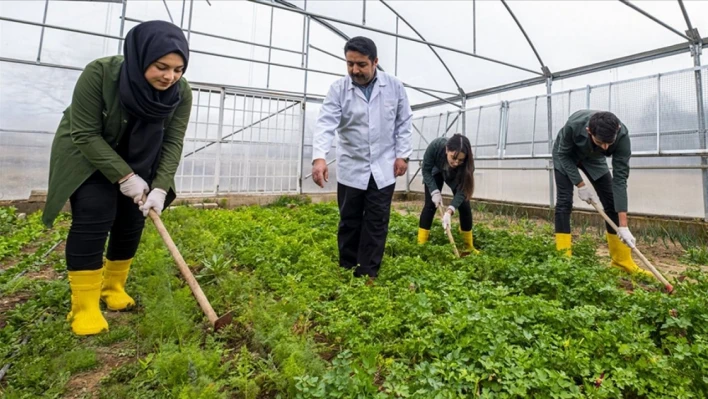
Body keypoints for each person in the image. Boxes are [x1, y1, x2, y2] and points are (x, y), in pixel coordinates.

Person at [42, 20, 192, 335]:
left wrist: (160, 187)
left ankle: (113, 288)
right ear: (140, 57)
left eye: (178, 69)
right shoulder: (100, 74)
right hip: (88, 157)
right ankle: (83, 307)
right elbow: (84, 133)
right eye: (161, 67)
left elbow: (173, 141)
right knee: (95, 214)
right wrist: (125, 176)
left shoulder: (181, 93)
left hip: (143, 158)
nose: (170, 77)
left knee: (131, 220)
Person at [311, 36, 412, 280]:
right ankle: (347, 268)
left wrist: (403, 155)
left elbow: (404, 122)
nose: (354, 70)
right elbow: (326, 123)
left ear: (375, 62)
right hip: (352, 167)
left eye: (361, 64)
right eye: (350, 64)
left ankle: (368, 273)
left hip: (383, 166)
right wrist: (319, 158)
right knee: (350, 220)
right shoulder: (338, 89)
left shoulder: (394, 86)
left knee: (376, 222)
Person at [553, 110, 652, 277]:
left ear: (617, 129)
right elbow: (563, 154)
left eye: (609, 143)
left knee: (611, 202)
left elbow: (620, 180)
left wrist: (623, 226)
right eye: (601, 142)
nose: (606, 148)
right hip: (566, 155)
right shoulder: (574, 125)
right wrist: (581, 184)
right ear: (589, 132)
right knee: (564, 202)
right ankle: (563, 260)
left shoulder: (622, 137)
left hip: (593, 159)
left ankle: (621, 262)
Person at [417, 134, 479, 254]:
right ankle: (421, 244)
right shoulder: (436, 146)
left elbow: (463, 190)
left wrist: (450, 210)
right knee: (430, 205)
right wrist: (434, 191)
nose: (456, 162)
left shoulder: (467, 165)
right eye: (453, 157)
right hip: (435, 171)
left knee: (465, 205)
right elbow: (426, 170)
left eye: (460, 159)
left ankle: (468, 246)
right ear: (447, 150)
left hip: (455, 175)